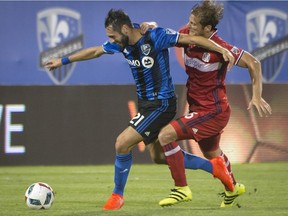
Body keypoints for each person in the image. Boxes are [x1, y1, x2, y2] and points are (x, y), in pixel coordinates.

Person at [45, 9, 235, 210]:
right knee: (159, 157)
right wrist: (63, 61)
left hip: (161, 104)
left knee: (122, 143)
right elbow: (95, 51)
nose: (111, 40)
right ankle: (214, 167)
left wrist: (221, 49)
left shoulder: (155, 36)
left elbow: (191, 39)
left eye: (113, 36)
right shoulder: (122, 43)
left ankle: (117, 195)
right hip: (146, 105)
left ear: (126, 29)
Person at [157, 0, 272, 208]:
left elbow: (254, 63)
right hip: (198, 107)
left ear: (207, 28)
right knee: (213, 155)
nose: (188, 25)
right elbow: (164, 37)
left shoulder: (222, 48)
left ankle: (181, 189)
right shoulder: (187, 35)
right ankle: (233, 188)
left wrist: (256, 95)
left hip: (213, 111)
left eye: (193, 24)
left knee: (166, 135)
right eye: (189, 21)